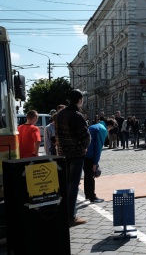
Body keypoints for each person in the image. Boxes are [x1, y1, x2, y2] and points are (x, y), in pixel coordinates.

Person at [55, 89, 91, 227]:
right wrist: (85, 146)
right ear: (79, 100)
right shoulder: (76, 115)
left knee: (65, 184)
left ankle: (64, 213)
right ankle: (71, 216)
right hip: (76, 154)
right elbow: (85, 136)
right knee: (73, 185)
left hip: (63, 153)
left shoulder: (59, 114)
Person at [84, 121, 108, 203]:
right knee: (91, 176)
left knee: (87, 175)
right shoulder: (102, 129)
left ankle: (87, 195)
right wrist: (95, 163)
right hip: (90, 155)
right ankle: (92, 197)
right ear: (110, 126)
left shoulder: (95, 126)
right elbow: (98, 147)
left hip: (84, 153)